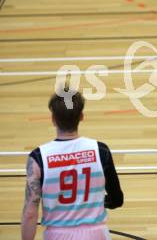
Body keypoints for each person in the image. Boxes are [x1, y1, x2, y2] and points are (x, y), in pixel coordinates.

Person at [21, 90, 123, 240]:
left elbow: (30, 212)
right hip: (97, 234)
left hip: (57, 234)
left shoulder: (38, 158)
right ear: (81, 117)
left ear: (53, 119)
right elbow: (117, 200)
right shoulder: (101, 151)